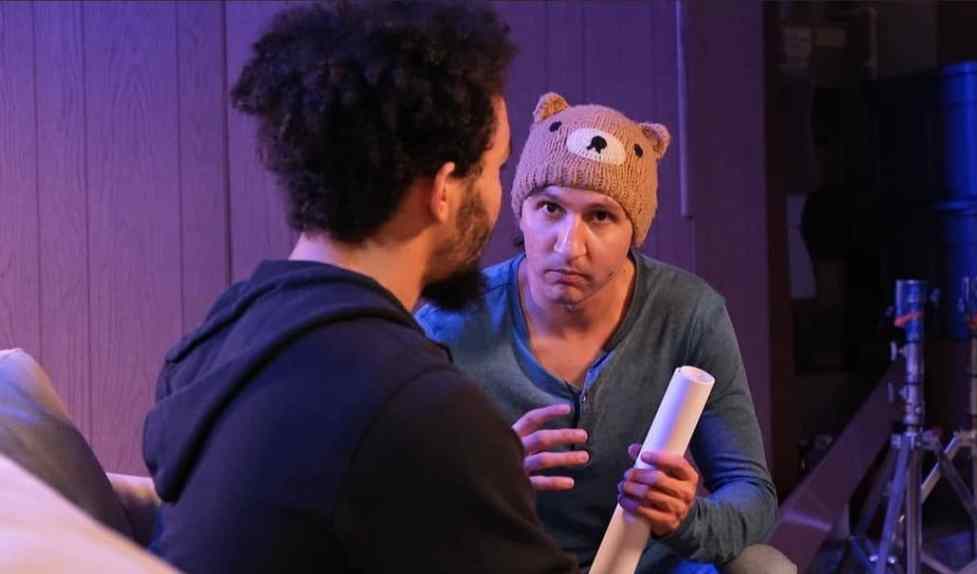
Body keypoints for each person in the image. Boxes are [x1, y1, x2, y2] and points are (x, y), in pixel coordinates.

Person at [142, 3, 576, 573]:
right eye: (496, 167)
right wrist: (472, 464)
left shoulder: (221, 337)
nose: (498, 197)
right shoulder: (422, 412)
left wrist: (480, 486)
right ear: (444, 188)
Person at [417, 93, 782, 573]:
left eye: (600, 216)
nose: (569, 246)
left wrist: (685, 519)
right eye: (550, 208)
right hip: (508, 561)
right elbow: (396, 502)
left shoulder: (689, 313)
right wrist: (489, 485)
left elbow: (752, 494)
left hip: (648, 564)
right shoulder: (450, 322)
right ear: (521, 212)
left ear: (634, 231)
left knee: (763, 567)